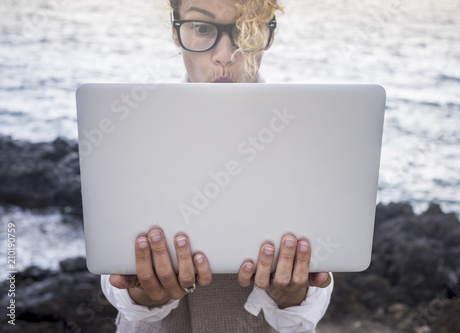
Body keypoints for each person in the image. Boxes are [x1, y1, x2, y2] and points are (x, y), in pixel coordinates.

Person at [101, 0, 334, 331]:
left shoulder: (303, 132)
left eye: (244, 30)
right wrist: (144, 297)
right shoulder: (135, 126)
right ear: (175, 30)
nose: (225, 55)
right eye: (201, 28)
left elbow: (323, 270)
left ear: (268, 32)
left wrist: (292, 294)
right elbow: (111, 266)